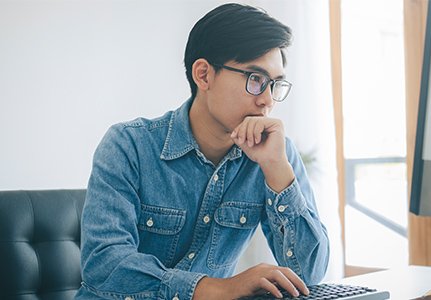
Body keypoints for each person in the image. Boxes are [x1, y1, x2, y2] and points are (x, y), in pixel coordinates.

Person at [76, 3, 329, 300]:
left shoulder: (274, 152)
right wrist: (222, 288)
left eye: (274, 85)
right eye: (256, 80)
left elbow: (309, 274)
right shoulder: (128, 145)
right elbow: (105, 266)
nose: (267, 101)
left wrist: (277, 171)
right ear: (204, 75)